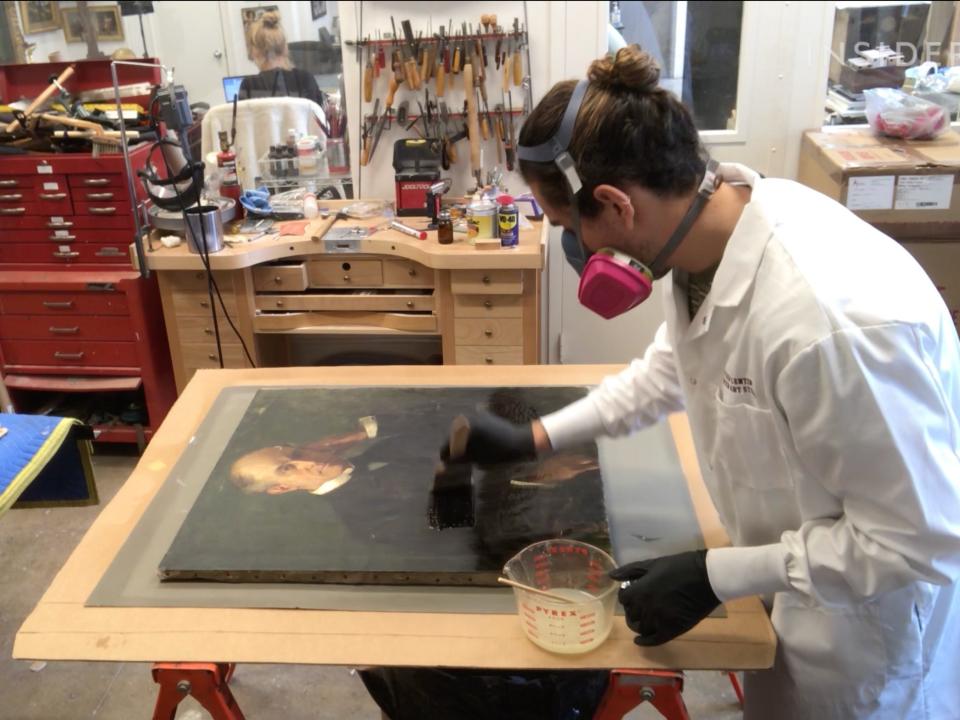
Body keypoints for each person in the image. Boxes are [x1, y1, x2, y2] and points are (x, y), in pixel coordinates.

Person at [440, 45, 960, 719]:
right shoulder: (708, 242)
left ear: (615, 205)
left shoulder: (830, 323)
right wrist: (533, 438)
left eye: (571, 230)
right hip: (796, 589)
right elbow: (667, 374)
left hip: (866, 639)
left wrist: (718, 575)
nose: (577, 253)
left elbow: (917, 541)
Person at [239, 10, 325, 106]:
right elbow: (320, 117)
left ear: (255, 52)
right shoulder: (305, 78)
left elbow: (242, 120)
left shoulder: (249, 86)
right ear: (285, 48)